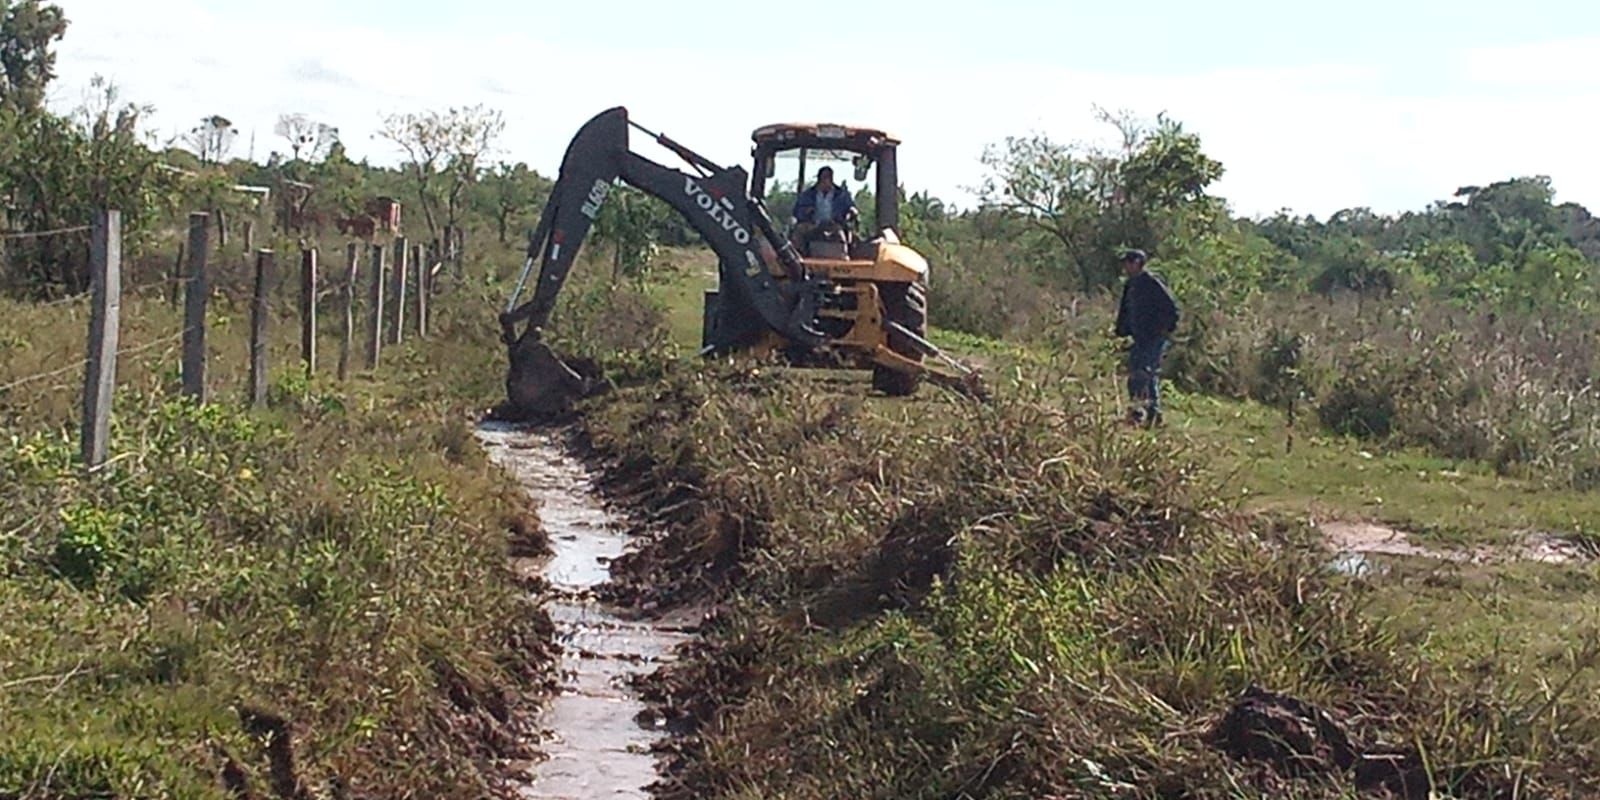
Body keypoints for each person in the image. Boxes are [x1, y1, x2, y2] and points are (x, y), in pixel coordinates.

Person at [1113, 249, 1180, 427]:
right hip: (1138, 337)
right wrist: (1120, 332)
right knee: (1144, 375)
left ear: (1137, 263)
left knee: (1141, 374)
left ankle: (1140, 413)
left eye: (1128, 262)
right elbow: (1125, 311)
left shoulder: (1151, 283)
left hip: (1153, 337)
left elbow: (1172, 309)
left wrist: (1165, 330)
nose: (1125, 266)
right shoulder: (1130, 284)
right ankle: (1152, 415)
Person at [790, 167, 856, 254]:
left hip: (834, 224)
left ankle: (844, 257)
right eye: (824, 177)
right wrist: (806, 211)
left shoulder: (841, 195)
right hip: (812, 224)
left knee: (841, 235)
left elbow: (850, 207)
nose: (826, 180)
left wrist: (852, 212)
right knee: (799, 231)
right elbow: (797, 212)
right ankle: (797, 256)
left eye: (829, 177)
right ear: (819, 179)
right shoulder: (808, 194)